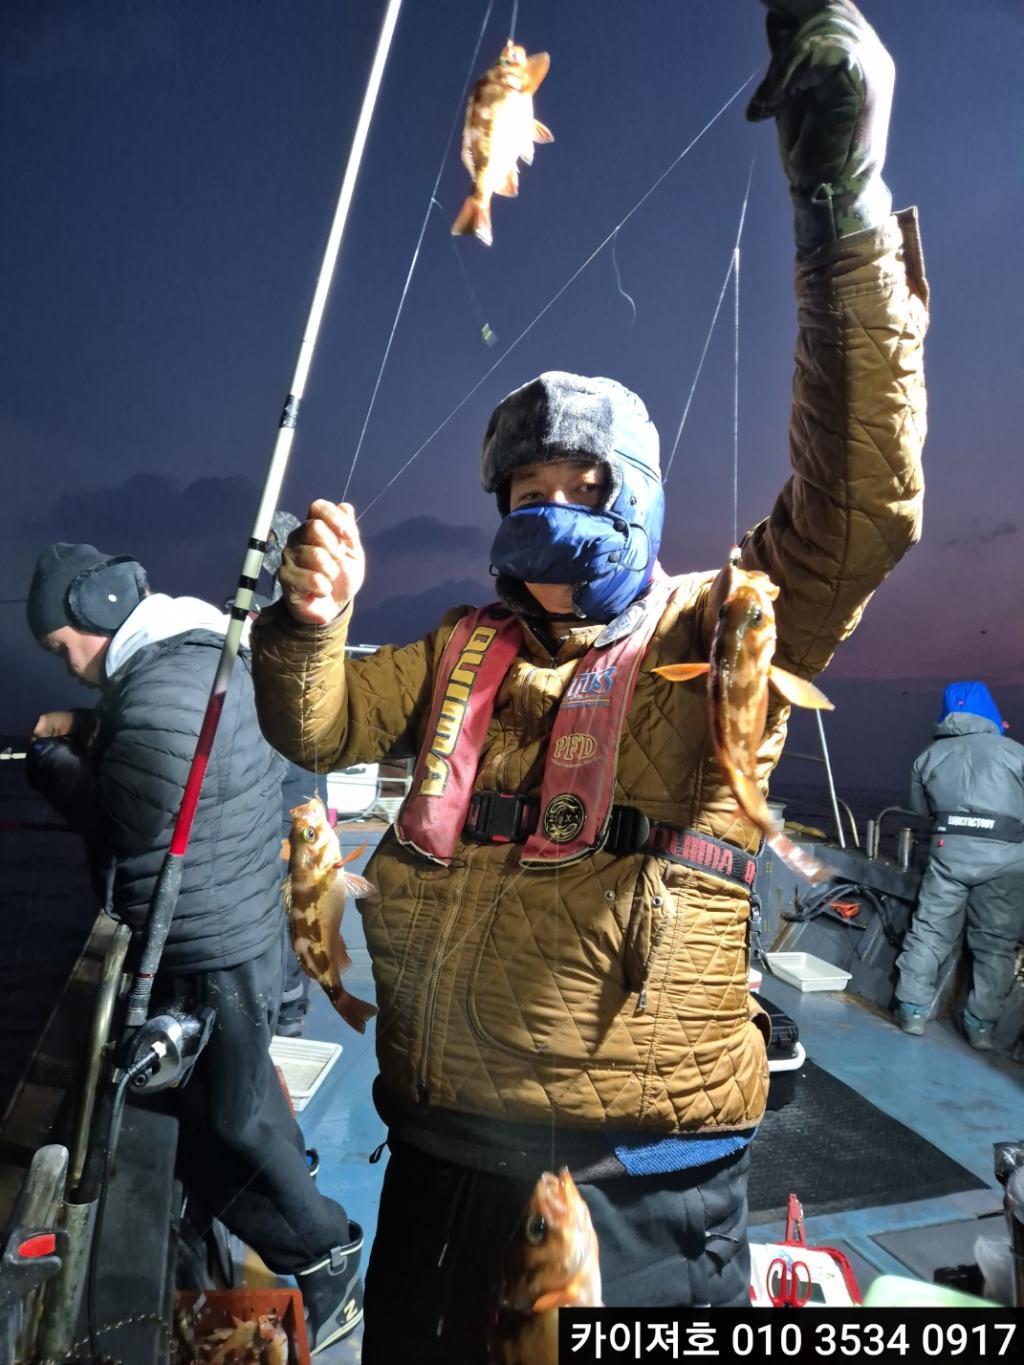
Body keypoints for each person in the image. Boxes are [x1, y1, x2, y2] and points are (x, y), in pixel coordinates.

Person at [251, 0, 928, 1355]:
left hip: (644, 1183)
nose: (554, 504)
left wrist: (839, 213)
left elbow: (862, 505)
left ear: (647, 504)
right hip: (442, 1156)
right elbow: (314, 722)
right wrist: (305, 626)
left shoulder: (718, 628)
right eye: (528, 484)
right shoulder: (456, 650)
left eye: (590, 483)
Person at [24, 542, 363, 1354]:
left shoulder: (161, 695)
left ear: (98, 612)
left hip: (210, 944)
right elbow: (159, 748)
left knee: (230, 1122)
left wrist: (51, 766)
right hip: (234, 925)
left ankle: (329, 1261)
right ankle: (312, 1235)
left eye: (61, 643)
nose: (66, 664)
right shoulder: (188, 657)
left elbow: (123, 818)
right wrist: (91, 727)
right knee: (232, 1110)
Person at [895, 682, 1024, 1048]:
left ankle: (913, 1012)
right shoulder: (1016, 754)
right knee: (996, 944)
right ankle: (980, 1028)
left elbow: (920, 809)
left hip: (948, 856)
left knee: (930, 933)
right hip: (1006, 861)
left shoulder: (928, 757)